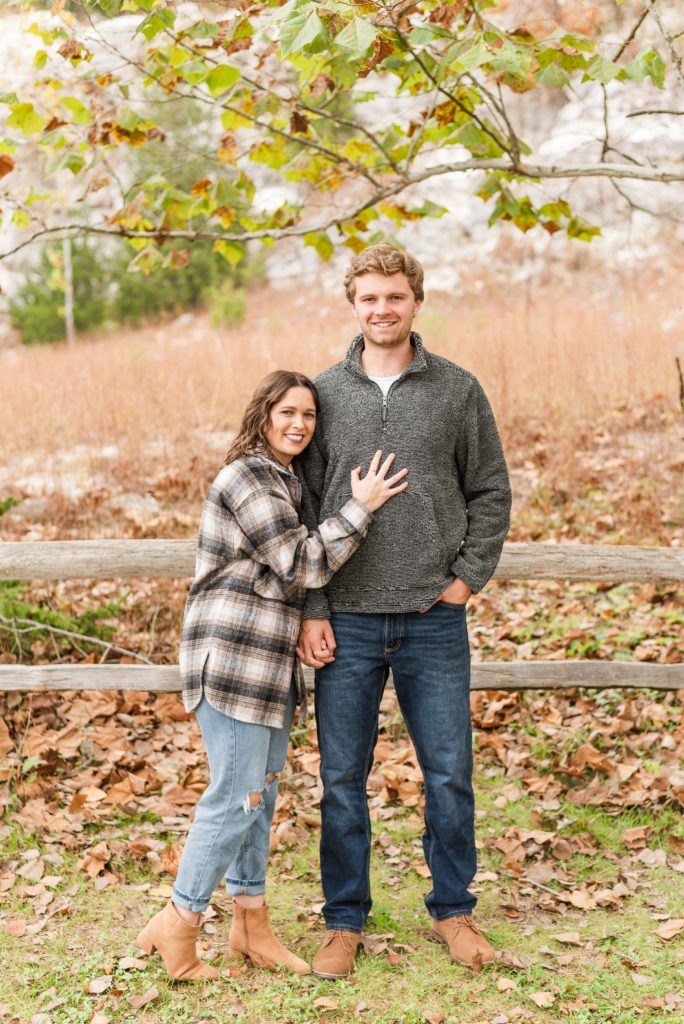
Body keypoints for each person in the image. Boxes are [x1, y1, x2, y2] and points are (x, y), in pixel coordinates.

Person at [137, 369, 408, 981]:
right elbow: (299, 561)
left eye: (309, 415)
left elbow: (282, 570)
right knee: (235, 798)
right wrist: (359, 508)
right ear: (263, 414)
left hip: (266, 669)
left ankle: (251, 926)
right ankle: (179, 925)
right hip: (232, 662)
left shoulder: (284, 480)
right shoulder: (248, 477)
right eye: (287, 411)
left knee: (258, 800)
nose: (299, 424)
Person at [295, 244, 512, 979]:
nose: (381, 309)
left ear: (416, 299)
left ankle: (454, 910)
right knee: (341, 779)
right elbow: (304, 509)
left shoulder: (456, 390)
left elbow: (490, 490)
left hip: (432, 617)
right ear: (352, 305)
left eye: (394, 296)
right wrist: (314, 606)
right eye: (368, 298)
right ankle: (344, 920)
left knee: (449, 772)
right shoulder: (324, 393)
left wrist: (466, 580)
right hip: (347, 620)